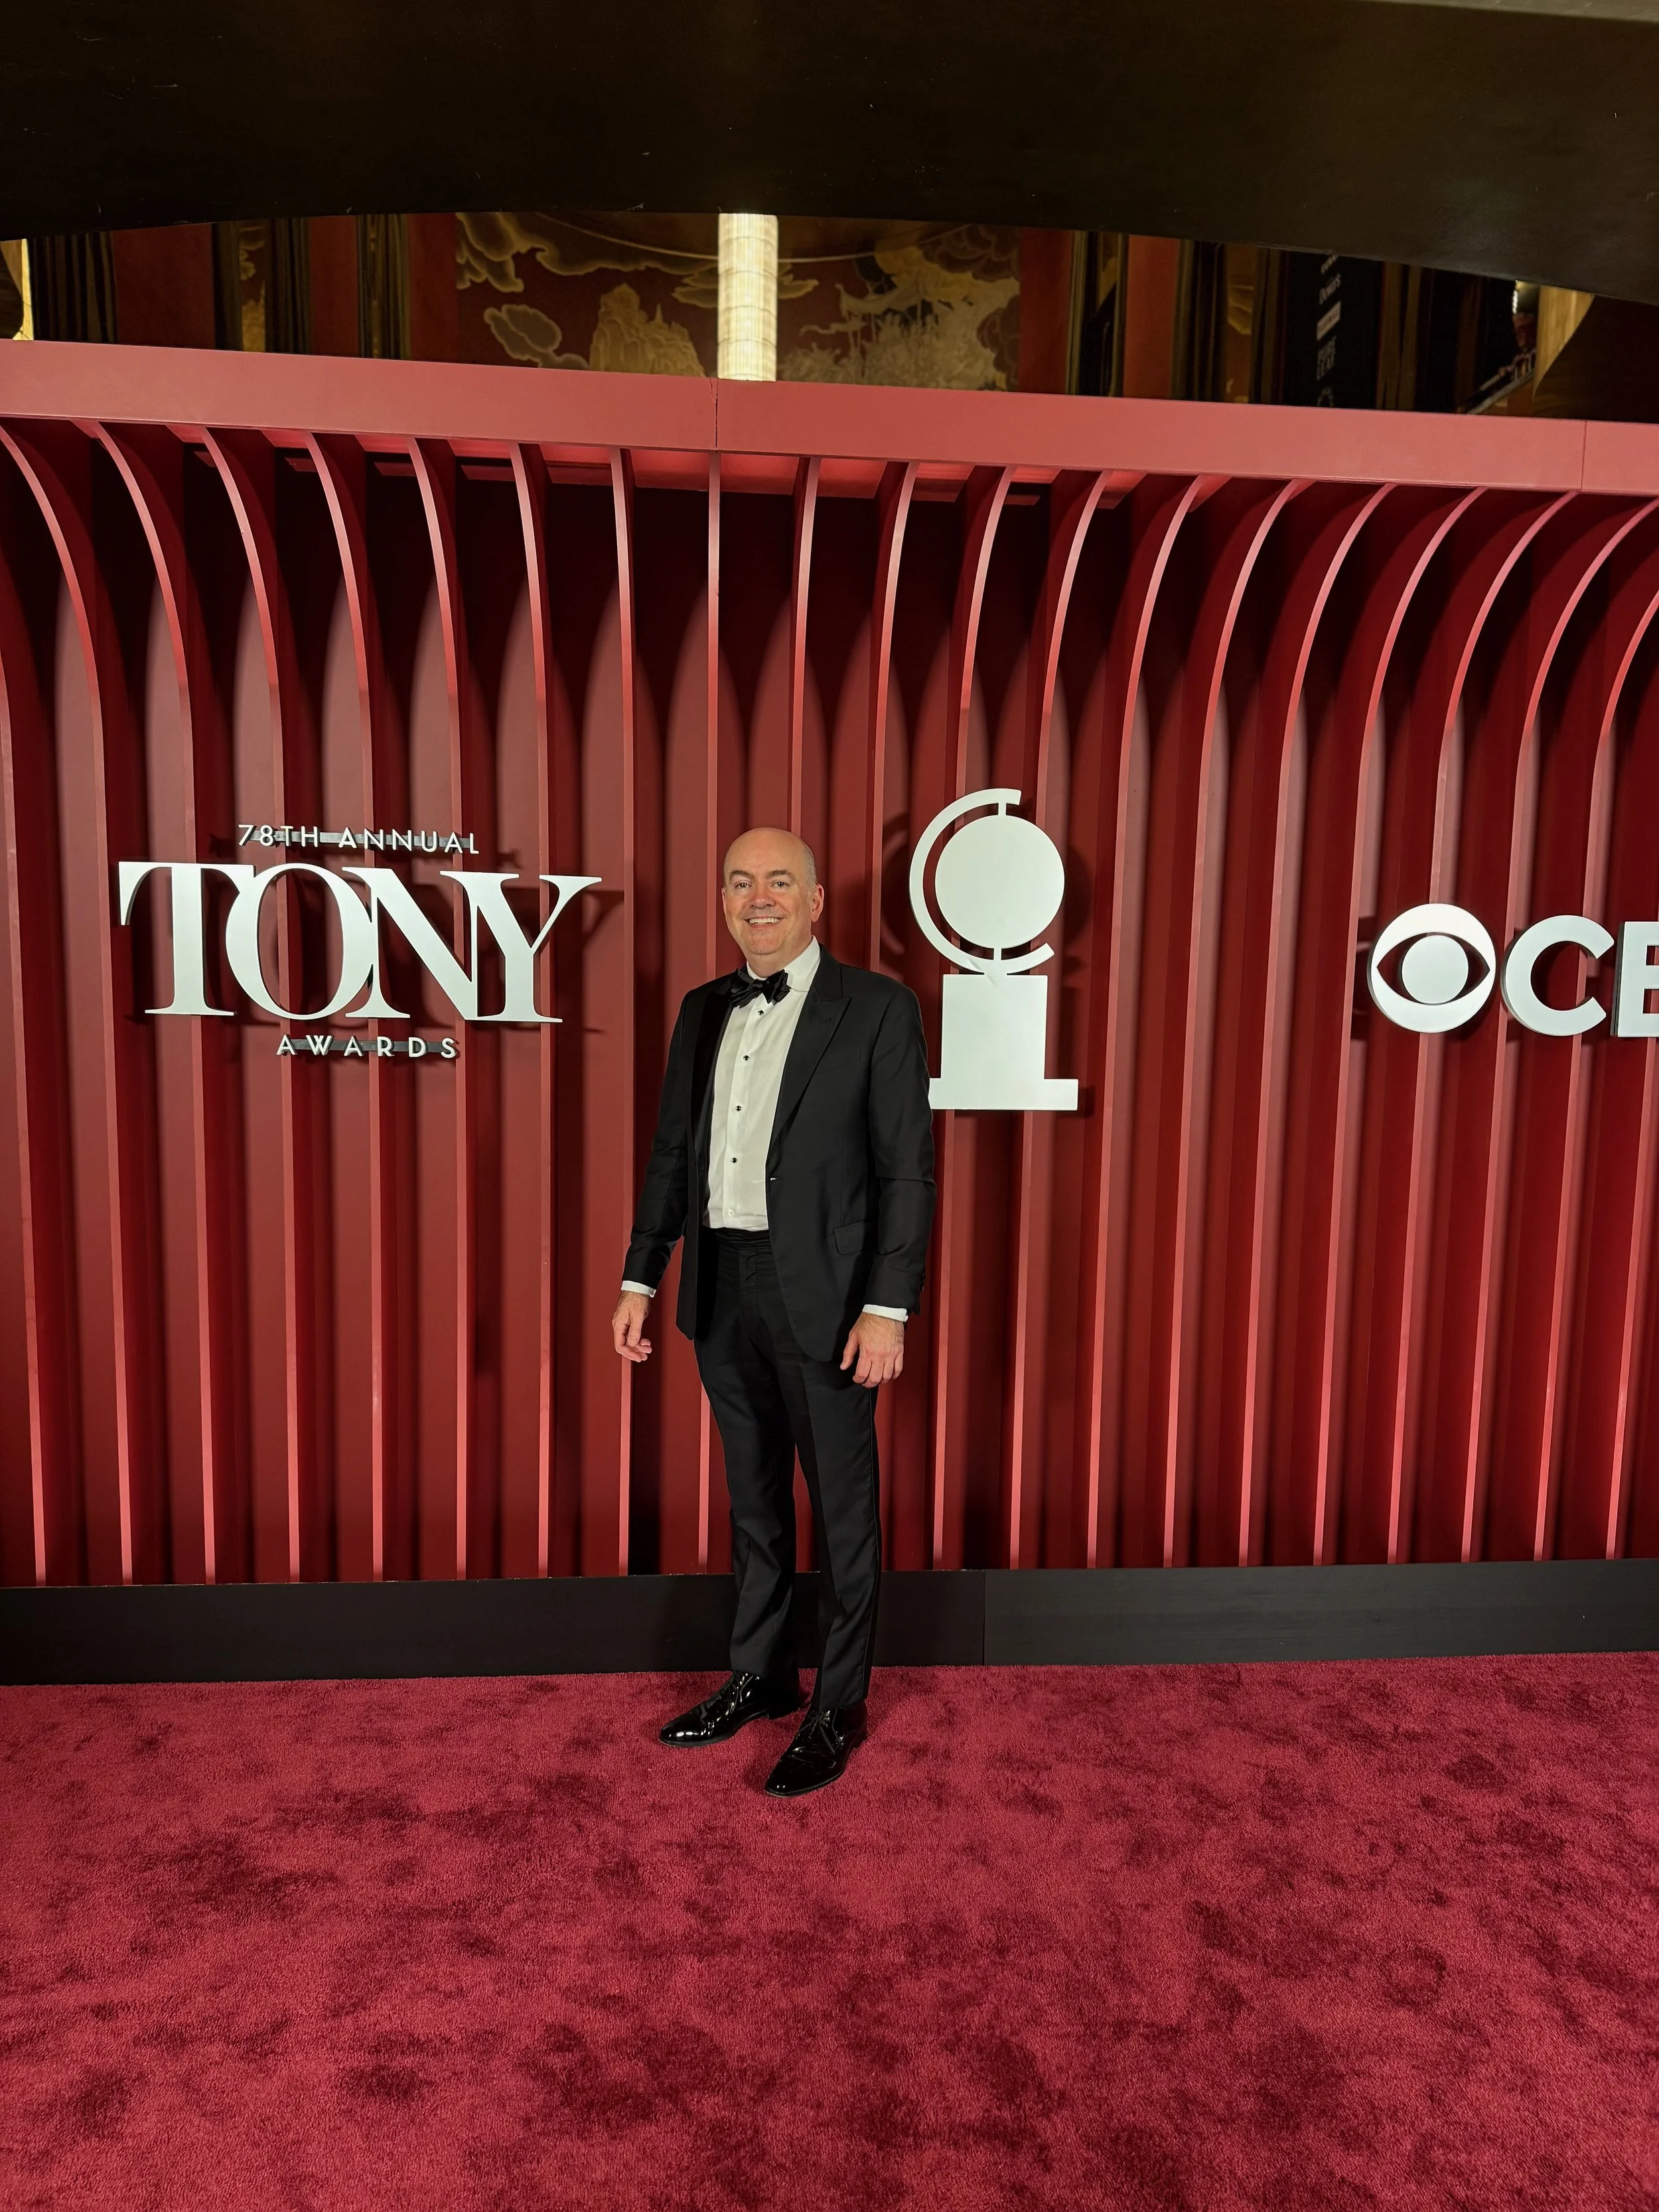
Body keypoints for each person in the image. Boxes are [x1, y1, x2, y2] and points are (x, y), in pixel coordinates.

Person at [613, 828, 935, 1797]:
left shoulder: (876, 1007)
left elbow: (906, 1171)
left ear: (816, 900)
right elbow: (673, 1152)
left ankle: (838, 1704)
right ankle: (760, 1676)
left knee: (841, 1514)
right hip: (721, 1286)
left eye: (779, 881)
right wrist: (641, 1275)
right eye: (741, 882)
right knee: (753, 1501)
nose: (760, 897)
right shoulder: (702, 1009)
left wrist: (888, 1307)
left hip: (832, 1301)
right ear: (723, 899)